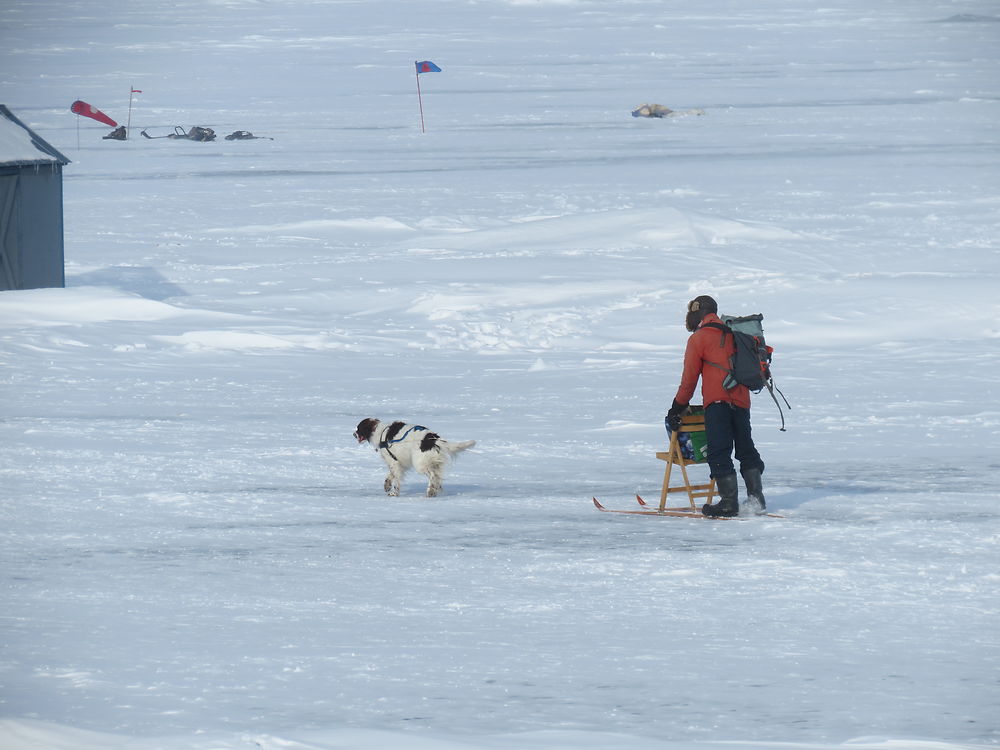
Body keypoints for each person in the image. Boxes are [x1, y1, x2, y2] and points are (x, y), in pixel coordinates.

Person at [666, 295, 766, 517]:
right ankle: (756, 500)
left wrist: (676, 408)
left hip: (717, 402)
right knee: (745, 449)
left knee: (719, 452)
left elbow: (689, 380)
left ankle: (729, 503)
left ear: (697, 313)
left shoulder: (699, 338)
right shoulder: (735, 333)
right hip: (741, 401)